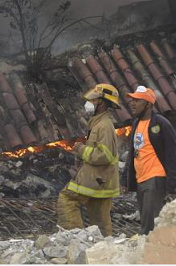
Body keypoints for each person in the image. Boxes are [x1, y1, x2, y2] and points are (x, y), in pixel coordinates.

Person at [56, 83, 121, 236]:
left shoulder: (104, 126)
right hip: (102, 180)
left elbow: (104, 155)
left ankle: (75, 238)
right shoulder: (99, 123)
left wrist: (80, 149)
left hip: (97, 178)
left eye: (94, 100)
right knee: (99, 219)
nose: (89, 103)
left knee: (67, 199)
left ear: (102, 103)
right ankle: (103, 247)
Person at [121, 86, 176, 235]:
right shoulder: (136, 124)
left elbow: (173, 155)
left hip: (155, 178)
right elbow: (133, 153)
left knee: (148, 225)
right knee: (146, 219)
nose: (132, 103)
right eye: (132, 100)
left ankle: (149, 252)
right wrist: (125, 179)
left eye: (137, 100)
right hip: (141, 179)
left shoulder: (162, 124)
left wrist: (172, 185)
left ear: (149, 104)